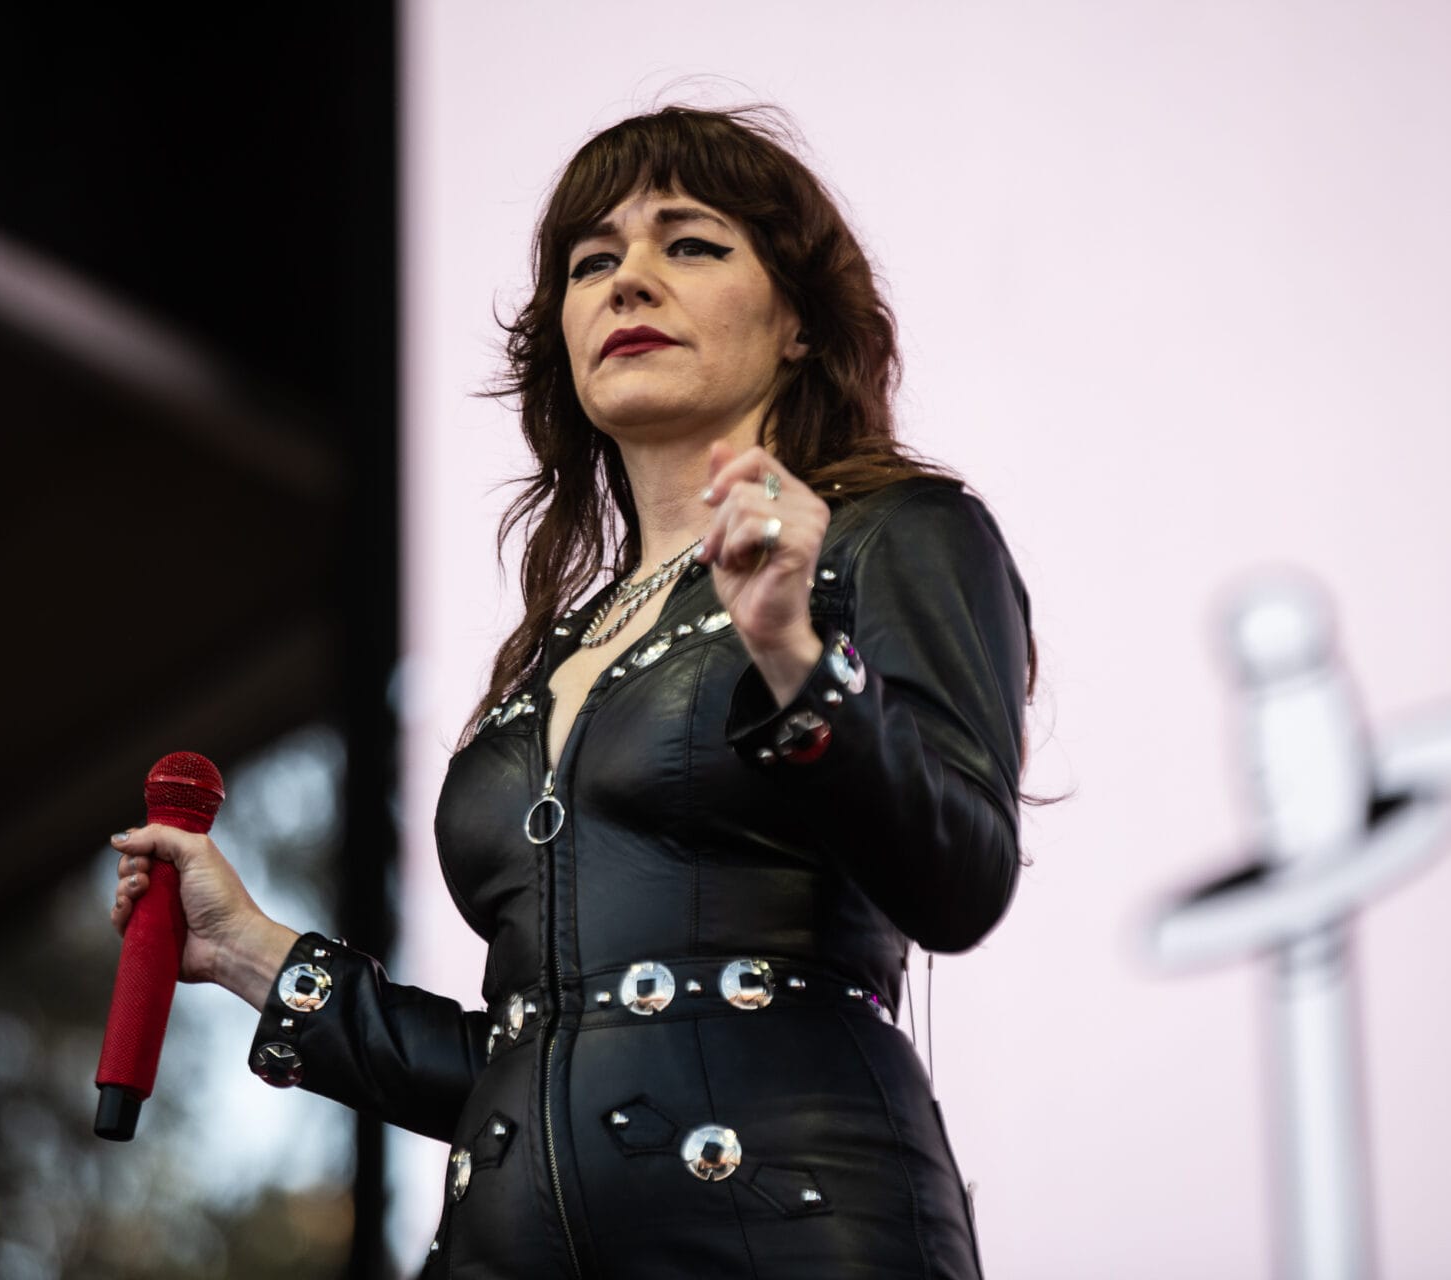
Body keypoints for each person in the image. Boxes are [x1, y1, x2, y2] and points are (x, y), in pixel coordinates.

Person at [108, 104, 1032, 1279]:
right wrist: (252, 951)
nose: (629, 278)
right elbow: (532, 1073)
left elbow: (962, 878)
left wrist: (796, 655)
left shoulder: (896, 533)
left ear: (799, 320)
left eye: (689, 243)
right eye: (593, 261)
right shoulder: (558, 646)